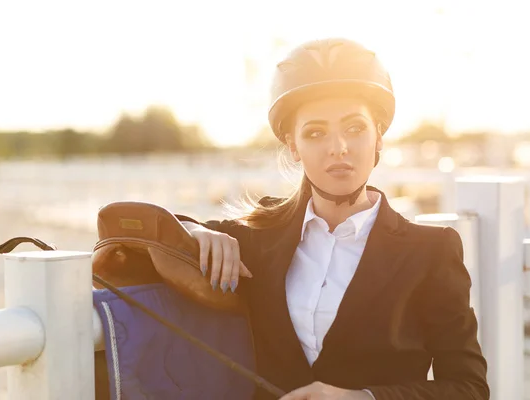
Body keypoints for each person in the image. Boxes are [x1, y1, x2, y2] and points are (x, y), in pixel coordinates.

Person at [175, 37, 489, 400]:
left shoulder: (431, 252)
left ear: (379, 138)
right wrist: (193, 230)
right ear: (293, 146)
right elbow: (123, 230)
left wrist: (362, 398)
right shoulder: (260, 235)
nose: (338, 146)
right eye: (315, 132)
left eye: (355, 128)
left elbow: (470, 389)